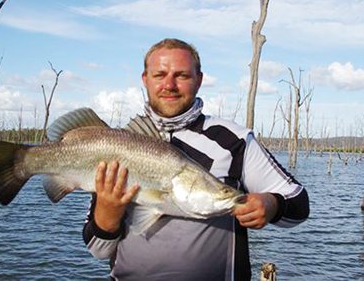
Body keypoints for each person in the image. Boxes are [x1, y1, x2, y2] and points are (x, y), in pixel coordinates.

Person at [82, 38, 309, 281]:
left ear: (199, 80)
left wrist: (272, 204)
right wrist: (107, 215)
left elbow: (299, 204)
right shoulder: (117, 146)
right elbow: (98, 250)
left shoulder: (235, 141)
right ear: (145, 79)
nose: (169, 85)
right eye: (159, 75)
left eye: (182, 75)